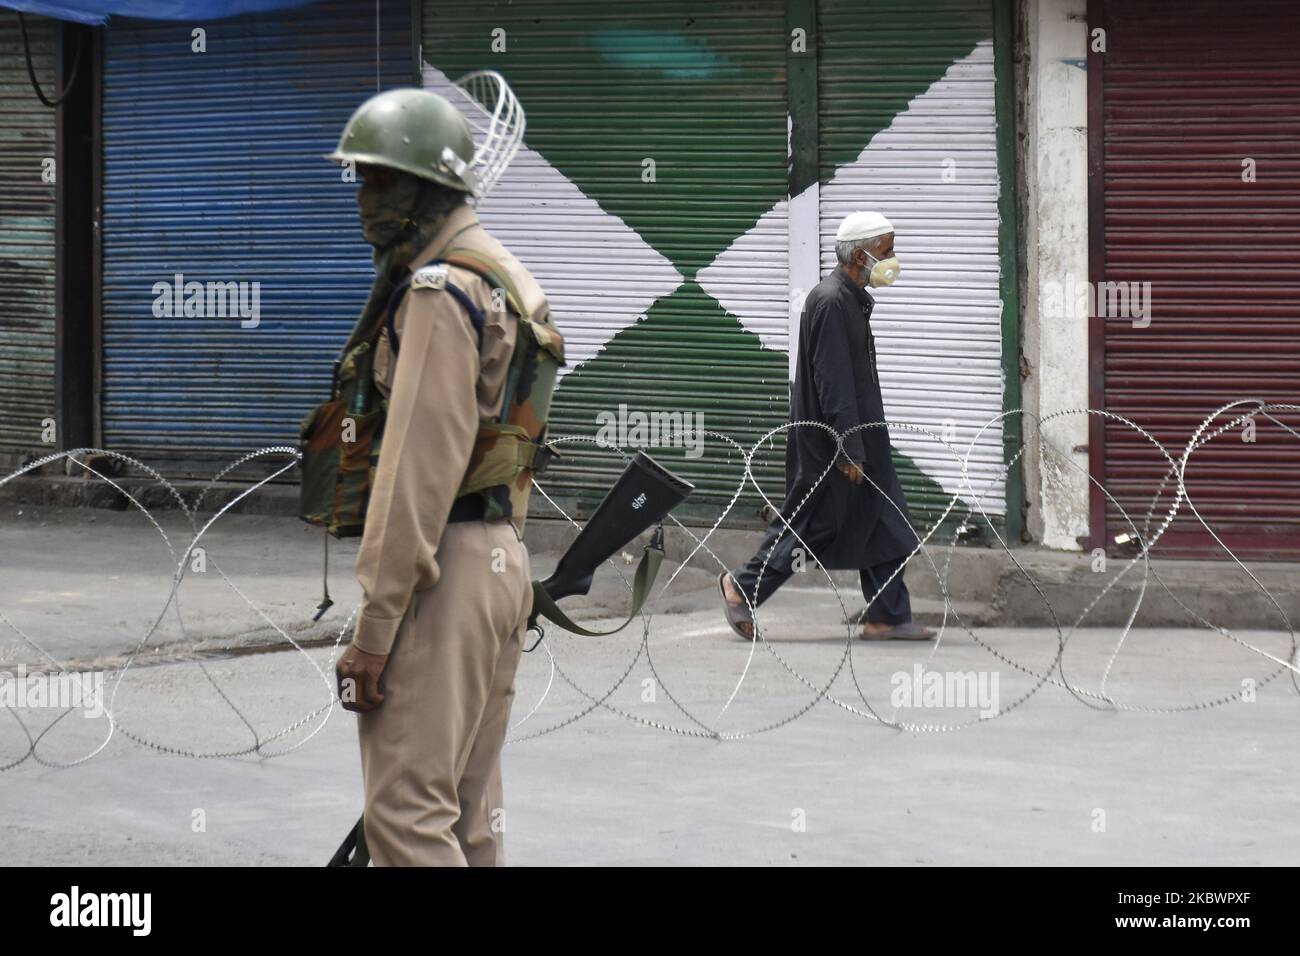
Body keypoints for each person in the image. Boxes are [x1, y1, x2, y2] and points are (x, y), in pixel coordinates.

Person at [329, 88, 556, 865]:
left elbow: (415, 473)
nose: (363, 199)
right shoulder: (501, 272)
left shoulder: (438, 292)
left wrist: (374, 628)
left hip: (441, 570)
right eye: (360, 179)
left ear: (426, 188)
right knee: (469, 815)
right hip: (499, 558)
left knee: (404, 818)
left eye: (378, 180)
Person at [718, 211, 935, 641]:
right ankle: (741, 586)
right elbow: (832, 380)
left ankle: (886, 615)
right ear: (860, 254)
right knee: (810, 526)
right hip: (833, 445)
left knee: (886, 522)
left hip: (859, 436)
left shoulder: (849, 298)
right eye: (886, 251)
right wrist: (848, 447)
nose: (892, 259)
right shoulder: (832, 301)